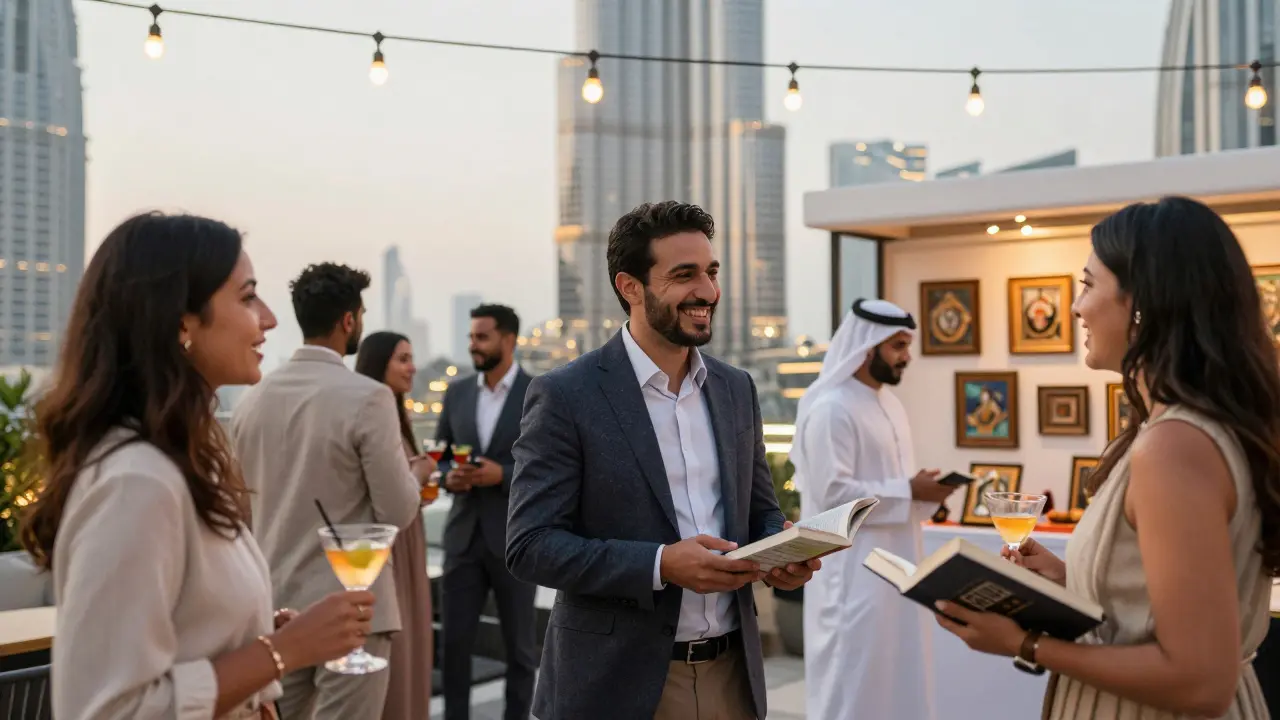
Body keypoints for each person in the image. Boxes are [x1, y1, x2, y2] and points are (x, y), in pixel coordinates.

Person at [935, 196, 1280, 719]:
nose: (1075, 307)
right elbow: (1158, 604)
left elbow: (1200, 680)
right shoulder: (1194, 430)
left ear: (1141, 303)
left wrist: (1024, 642)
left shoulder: (1173, 446)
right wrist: (1067, 579)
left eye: (1088, 285)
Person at [21, 213, 374, 720]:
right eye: (248, 296)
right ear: (182, 321)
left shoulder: (184, 460)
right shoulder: (137, 482)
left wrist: (250, 636)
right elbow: (108, 710)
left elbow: (177, 636)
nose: (269, 319)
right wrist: (281, 653)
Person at [506, 201, 819, 720]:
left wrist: (781, 551)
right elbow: (530, 545)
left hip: (731, 679)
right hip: (615, 684)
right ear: (630, 287)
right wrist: (660, 564)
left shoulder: (736, 388)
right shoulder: (566, 395)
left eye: (711, 272)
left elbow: (757, 511)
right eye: (684, 275)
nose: (707, 292)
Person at [231, 263, 432, 720]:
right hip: (352, 609)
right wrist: (415, 475)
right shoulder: (367, 397)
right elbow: (398, 511)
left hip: (275, 607)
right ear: (349, 321)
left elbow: (242, 511)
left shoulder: (250, 402)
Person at [788, 298, 960, 720]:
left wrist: (923, 492)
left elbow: (886, 486)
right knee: (856, 686)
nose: (907, 357)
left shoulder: (889, 404)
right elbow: (833, 496)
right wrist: (908, 489)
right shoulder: (832, 408)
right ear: (868, 348)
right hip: (853, 580)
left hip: (897, 569)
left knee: (899, 679)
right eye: (898, 346)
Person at [434, 303, 537, 720]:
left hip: (514, 541)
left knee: (520, 651)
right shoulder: (457, 393)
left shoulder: (538, 392)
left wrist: (503, 475)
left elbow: (548, 464)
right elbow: (439, 455)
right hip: (462, 539)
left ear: (508, 340)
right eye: (471, 337)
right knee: (454, 649)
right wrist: (447, 478)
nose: (473, 346)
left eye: (482, 337)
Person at [354, 331, 436, 720]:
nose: (412, 367)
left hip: (408, 542)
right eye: (402, 359)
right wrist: (419, 470)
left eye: (411, 357)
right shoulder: (373, 411)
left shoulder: (394, 414)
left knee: (415, 645)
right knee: (399, 654)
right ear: (377, 364)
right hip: (392, 549)